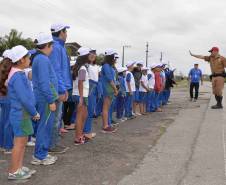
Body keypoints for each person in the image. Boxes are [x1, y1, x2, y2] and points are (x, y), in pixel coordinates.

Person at [1, 45, 40, 180]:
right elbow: (24, 98)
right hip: (21, 114)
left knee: (22, 143)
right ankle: (14, 171)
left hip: (21, 114)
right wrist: (34, 112)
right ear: (21, 60)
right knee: (19, 144)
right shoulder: (17, 75)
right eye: (28, 57)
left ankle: (18, 167)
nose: (30, 59)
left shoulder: (17, 73)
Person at [31, 33, 59, 165]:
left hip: (42, 97)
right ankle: (40, 155)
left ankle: (40, 154)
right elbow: (44, 83)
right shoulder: (42, 59)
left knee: (43, 126)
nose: (53, 48)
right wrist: (51, 100)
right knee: (45, 127)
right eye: (51, 45)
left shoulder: (39, 58)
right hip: (44, 99)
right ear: (47, 45)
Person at [49, 23, 72, 153]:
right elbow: (56, 71)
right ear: (61, 33)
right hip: (57, 88)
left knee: (58, 118)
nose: (67, 34)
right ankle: (52, 145)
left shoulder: (59, 47)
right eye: (65, 32)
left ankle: (54, 143)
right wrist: (62, 89)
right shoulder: (56, 47)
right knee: (55, 119)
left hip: (60, 87)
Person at [72, 47, 91, 144]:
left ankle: (80, 135)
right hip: (81, 94)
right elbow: (80, 82)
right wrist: (81, 97)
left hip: (80, 94)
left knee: (84, 115)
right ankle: (78, 137)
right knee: (80, 116)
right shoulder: (83, 68)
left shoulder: (78, 66)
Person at [101, 49, 119, 133]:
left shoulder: (109, 66)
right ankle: (105, 126)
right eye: (114, 57)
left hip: (110, 89)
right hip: (107, 89)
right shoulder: (106, 66)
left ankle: (107, 124)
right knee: (105, 108)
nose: (115, 59)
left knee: (107, 108)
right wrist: (115, 89)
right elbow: (110, 79)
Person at [0, 50, 14, 154]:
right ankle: (8, 146)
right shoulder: (11, 70)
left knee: (2, 121)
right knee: (8, 123)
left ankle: (2, 144)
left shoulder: (1, 67)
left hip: (2, 96)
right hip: (8, 97)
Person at [83, 48, 99, 139]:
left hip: (95, 87)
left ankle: (86, 131)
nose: (93, 55)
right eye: (90, 54)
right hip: (89, 88)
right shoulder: (85, 66)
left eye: (94, 54)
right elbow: (82, 79)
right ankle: (86, 132)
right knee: (88, 111)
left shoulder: (95, 66)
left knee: (90, 110)